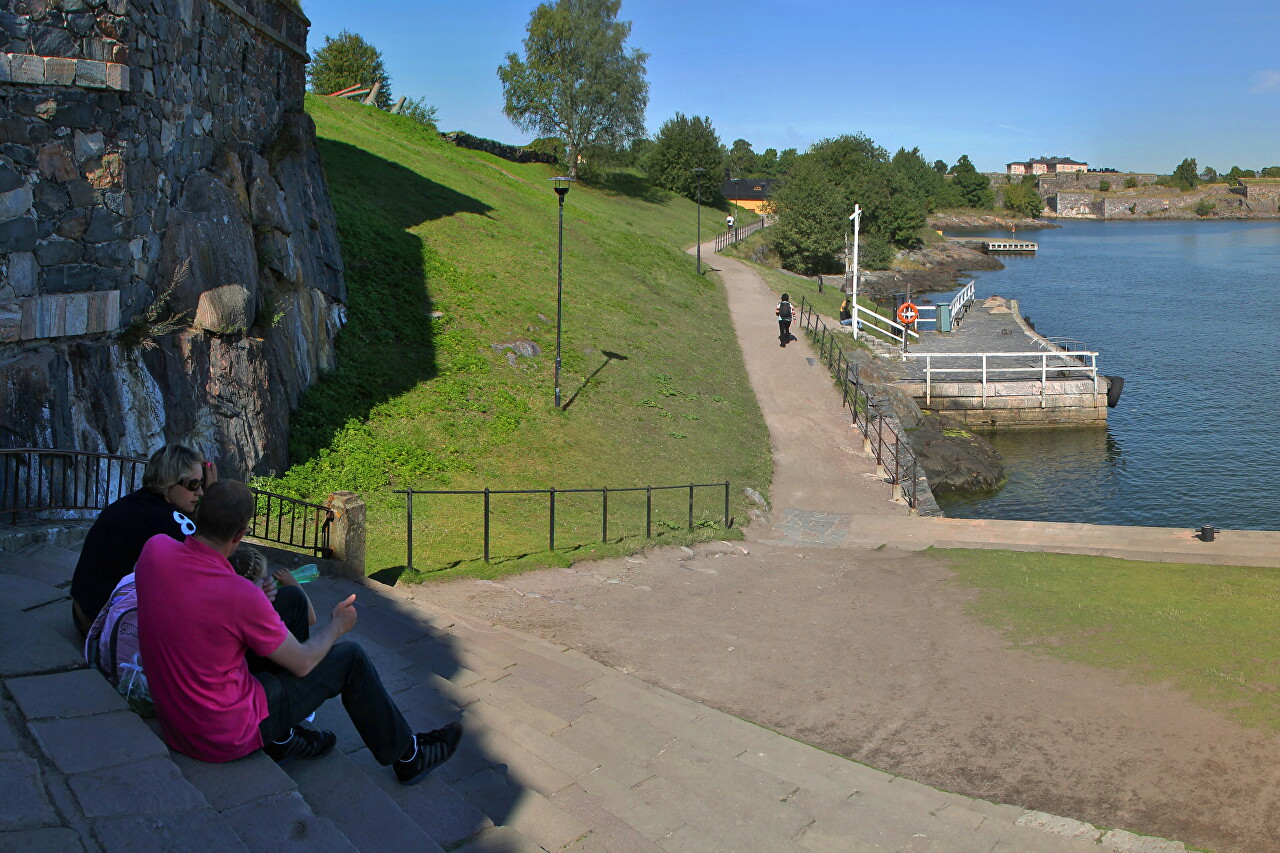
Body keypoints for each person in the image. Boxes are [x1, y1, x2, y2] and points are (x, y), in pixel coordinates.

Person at [135, 480, 461, 783]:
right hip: (223, 733)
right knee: (351, 658)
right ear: (240, 535)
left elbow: (193, 602)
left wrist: (253, 603)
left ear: (197, 513)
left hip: (177, 719)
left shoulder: (155, 549)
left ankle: (283, 736)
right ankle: (409, 756)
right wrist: (337, 626)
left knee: (290, 598)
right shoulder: (238, 595)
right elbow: (303, 663)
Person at [70, 444, 216, 634]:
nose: (200, 492)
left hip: (82, 610)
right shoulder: (167, 519)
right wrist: (213, 504)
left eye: (202, 484)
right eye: (193, 485)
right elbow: (214, 564)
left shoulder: (135, 503)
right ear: (168, 481)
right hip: (104, 624)